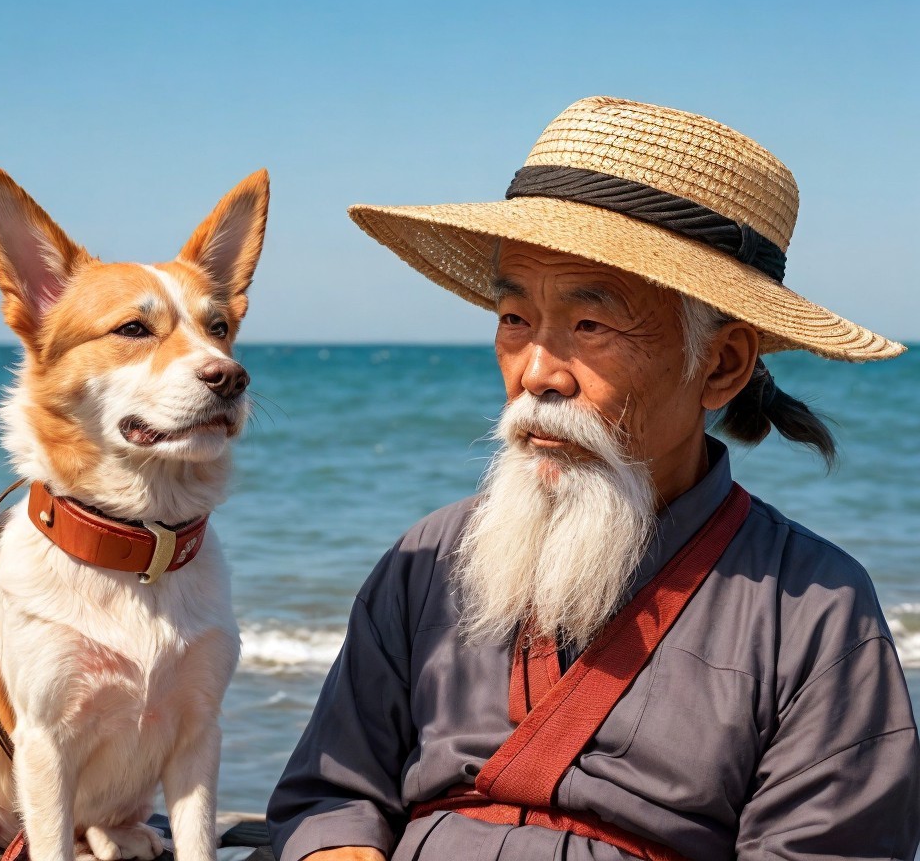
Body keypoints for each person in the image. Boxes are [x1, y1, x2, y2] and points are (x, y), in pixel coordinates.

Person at [266, 97, 920, 860]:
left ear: (722, 364)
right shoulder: (429, 560)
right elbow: (331, 795)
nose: (536, 375)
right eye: (514, 320)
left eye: (590, 327)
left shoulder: (814, 613)